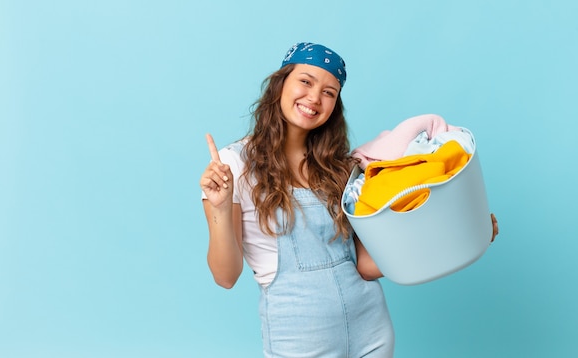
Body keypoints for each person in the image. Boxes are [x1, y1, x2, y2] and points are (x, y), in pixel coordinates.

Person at [200, 42, 499, 357]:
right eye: (305, 81)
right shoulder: (234, 166)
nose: (315, 97)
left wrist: (469, 233)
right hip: (299, 341)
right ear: (280, 84)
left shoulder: (340, 169)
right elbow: (225, 276)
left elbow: (369, 265)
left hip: (371, 332)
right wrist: (221, 206)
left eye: (329, 92)